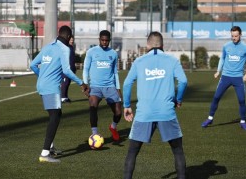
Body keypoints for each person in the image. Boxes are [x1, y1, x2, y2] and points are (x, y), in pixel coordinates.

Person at [123, 31, 188, 179]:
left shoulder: (139, 62)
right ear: (162, 45)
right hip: (166, 112)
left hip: (144, 113)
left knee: (133, 151)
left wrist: (127, 105)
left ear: (147, 45)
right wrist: (178, 99)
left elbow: (127, 83)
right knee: (177, 150)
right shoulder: (172, 61)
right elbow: (183, 81)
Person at [30, 25, 88, 163]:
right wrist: (82, 83)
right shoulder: (65, 49)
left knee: (55, 115)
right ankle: (44, 154)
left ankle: (50, 147)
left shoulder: (48, 46)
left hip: (41, 85)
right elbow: (67, 71)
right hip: (51, 87)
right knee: (55, 117)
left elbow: (33, 64)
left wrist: (42, 76)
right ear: (68, 37)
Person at [201, 26, 246, 130]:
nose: (234, 38)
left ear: (240, 35)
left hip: (238, 78)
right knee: (216, 97)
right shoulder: (226, 46)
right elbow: (222, 58)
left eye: (236, 36)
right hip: (225, 76)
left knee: (242, 100)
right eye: (232, 36)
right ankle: (210, 118)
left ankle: (243, 121)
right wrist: (218, 71)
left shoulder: (244, 47)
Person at [83, 30, 122, 141]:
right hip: (95, 86)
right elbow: (85, 69)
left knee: (118, 112)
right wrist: (85, 84)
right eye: (102, 40)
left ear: (109, 40)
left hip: (110, 86)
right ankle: (95, 134)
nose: (104, 42)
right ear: (99, 39)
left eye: (106, 40)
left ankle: (113, 127)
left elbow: (115, 72)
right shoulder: (91, 52)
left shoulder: (113, 53)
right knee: (93, 105)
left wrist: (118, 88)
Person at [61, 35, 76, 103]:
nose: (72, 41)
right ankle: (62, 97)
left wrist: (74, 68)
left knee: (68, 83)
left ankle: (65, 97)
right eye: (70, 40)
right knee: (65, 82)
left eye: (72, 39)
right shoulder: (65, 48)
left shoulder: (71, 47)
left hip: (71, 69)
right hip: (66, 69)